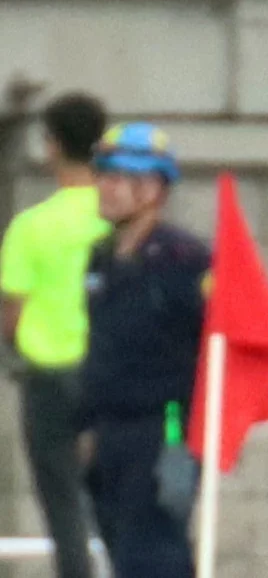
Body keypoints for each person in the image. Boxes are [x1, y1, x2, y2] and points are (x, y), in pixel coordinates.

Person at [80, 122, 208, 578]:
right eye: (102, 175)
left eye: (116, 177)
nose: (104, 188)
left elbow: (213, 343)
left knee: (155, 549)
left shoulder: (184, 260)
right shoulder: (100, 256)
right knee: (118, 549)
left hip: (166, 430)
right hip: (108, 433)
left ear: (151, 188)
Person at [0, 91, 109, 578]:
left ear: (52, 145)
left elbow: (12, 312)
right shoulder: (114, 222)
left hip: (48, 381)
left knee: (63, 508)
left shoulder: (31, 226)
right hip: (108, 377)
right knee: (117, 500)